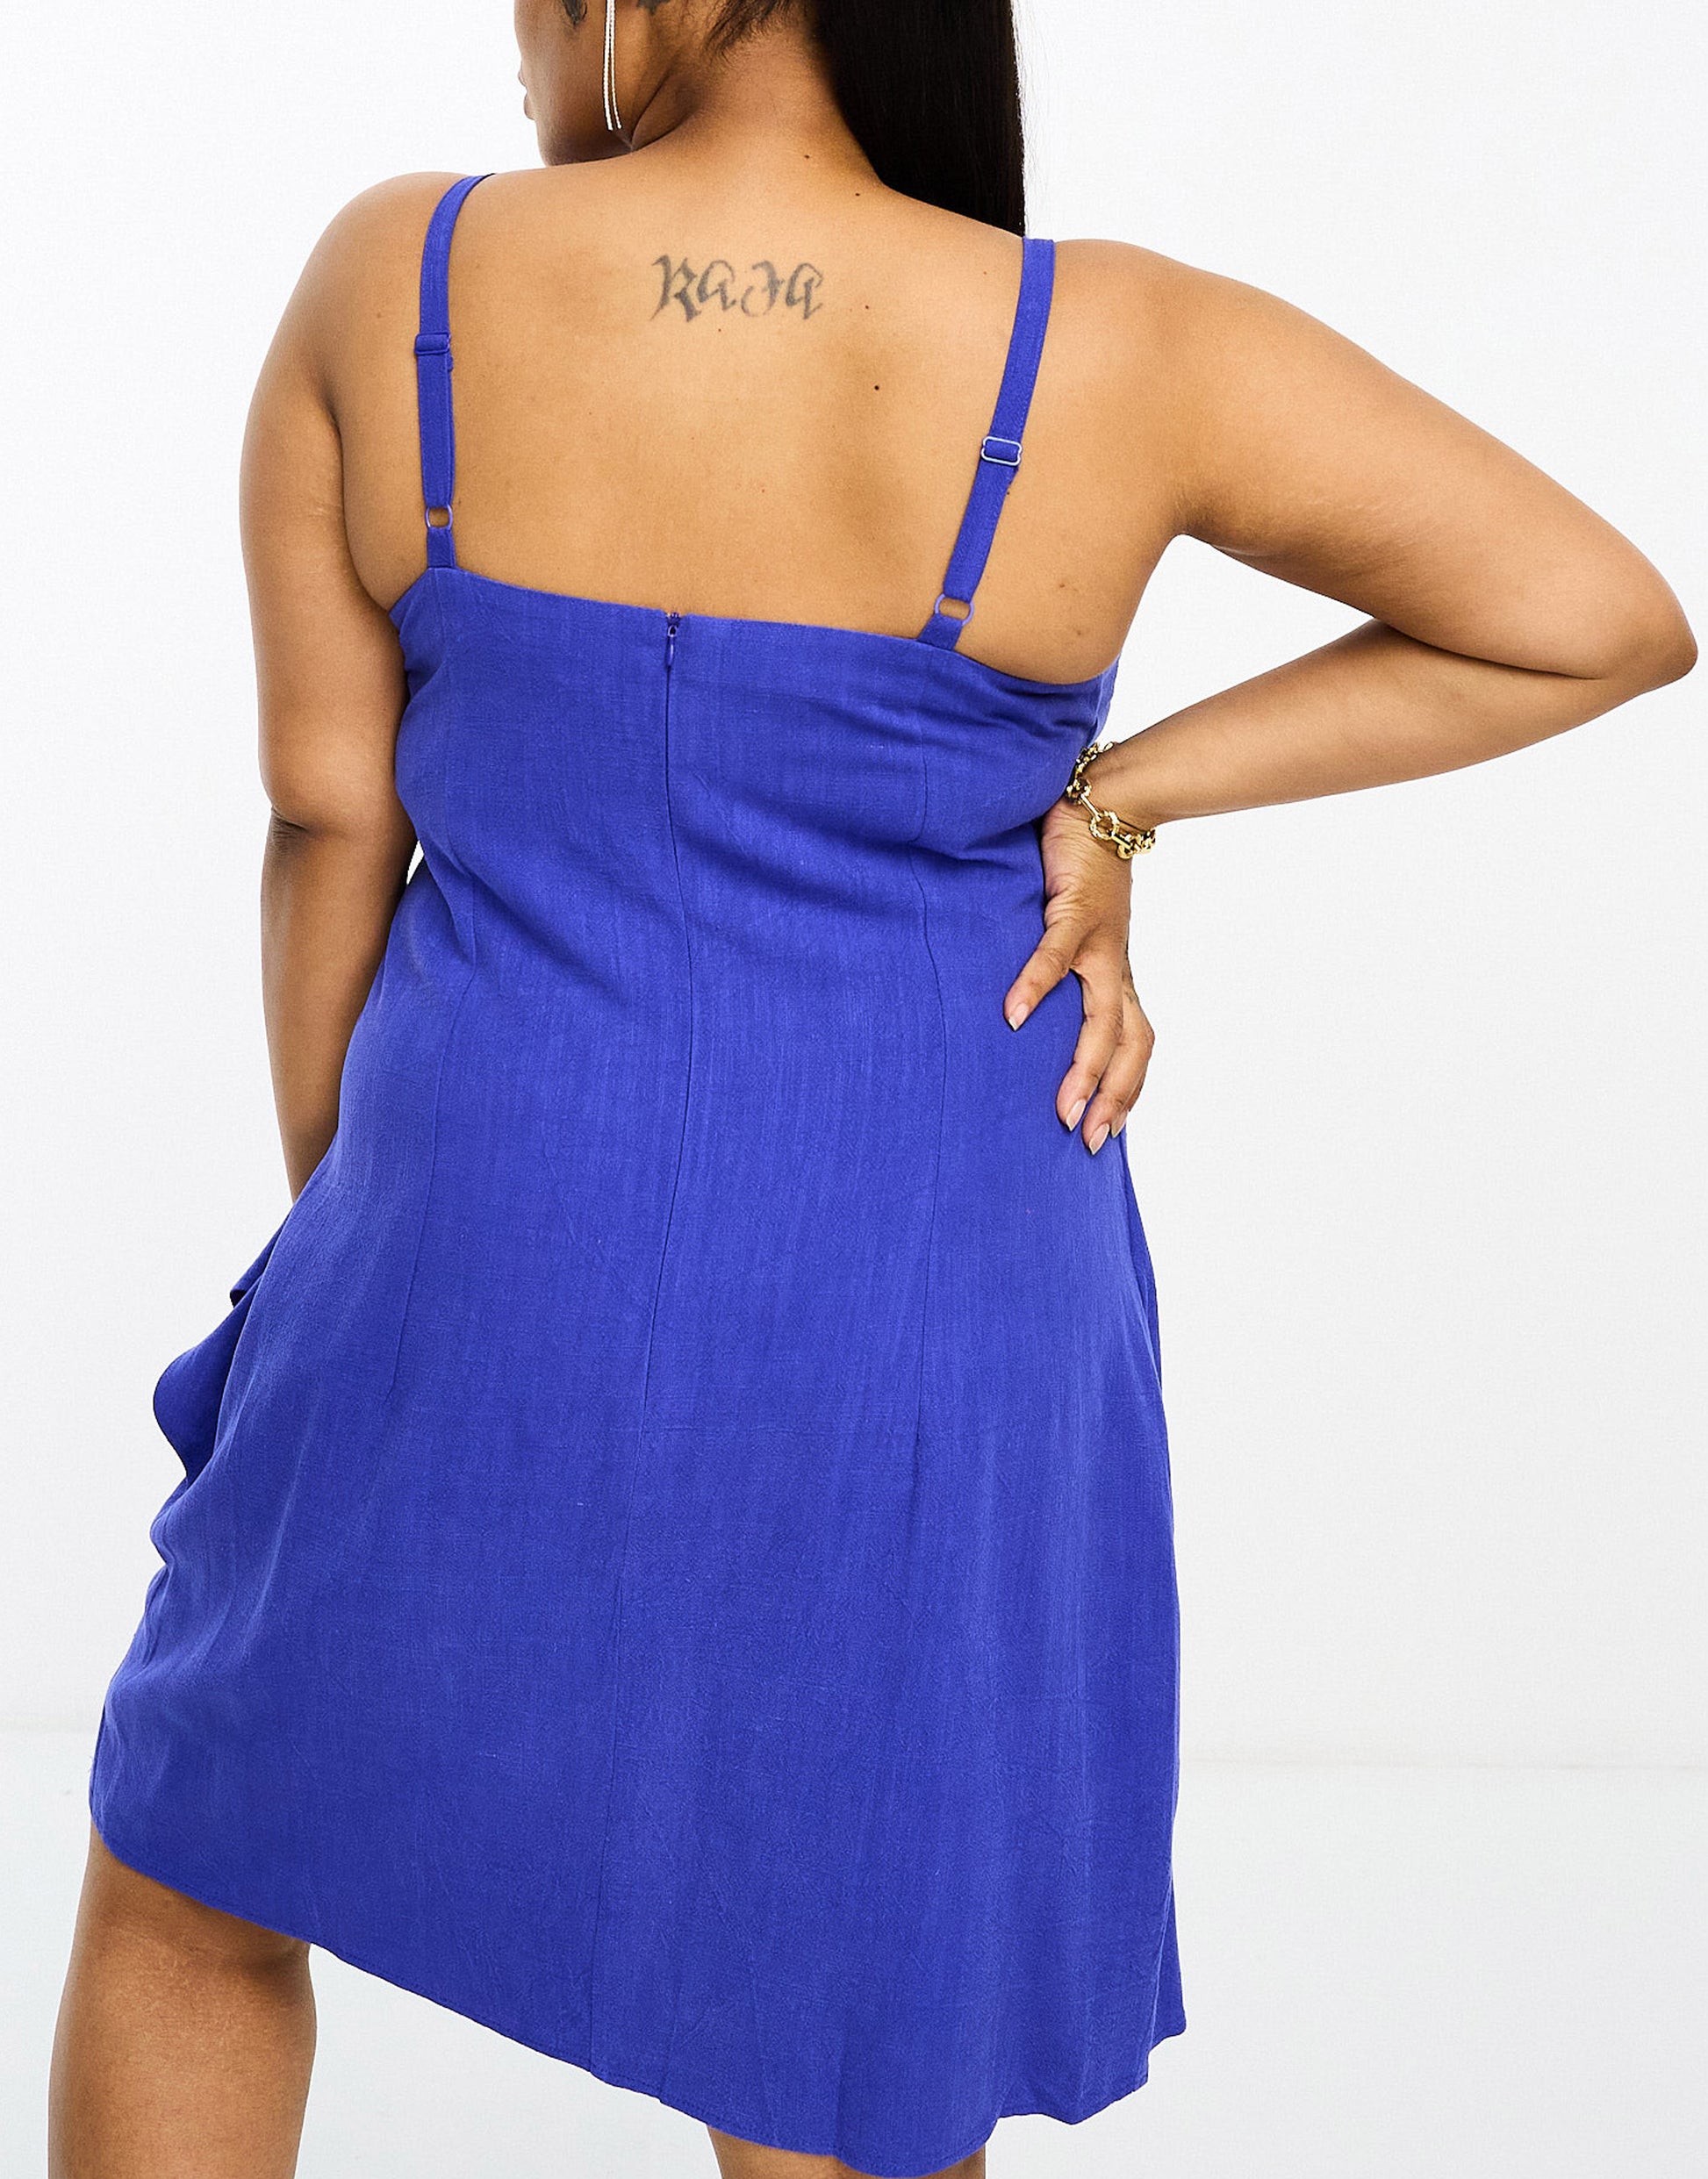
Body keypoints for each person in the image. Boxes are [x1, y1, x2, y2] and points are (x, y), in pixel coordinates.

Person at [49, 4, 1693, 2177]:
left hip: (485, 1210)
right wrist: (1114, 798)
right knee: (844, 2010)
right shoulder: (1118, 341)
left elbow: (328, 815)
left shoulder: (400, 272)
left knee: (200, 1874)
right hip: (929, 1278)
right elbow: (1591, 615)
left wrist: (368, 1248)